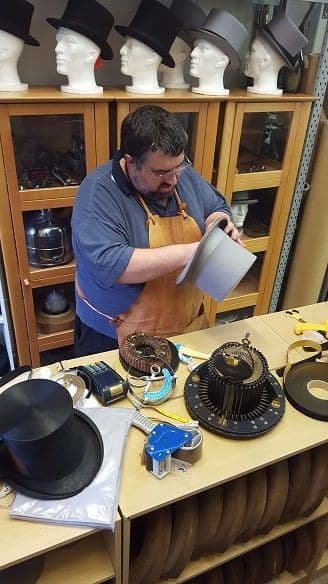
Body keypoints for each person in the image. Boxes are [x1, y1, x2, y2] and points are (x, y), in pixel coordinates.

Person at [72, 105, 240, 357]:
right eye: (160, 172)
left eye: (179, 167)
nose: (172, 180)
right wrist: (194, 252)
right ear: (131, 161)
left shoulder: (181, 175)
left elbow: (216, 206)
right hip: (114, 338)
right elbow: (114, 264)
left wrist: (220, 228)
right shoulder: (98, 194)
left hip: (186, 329)